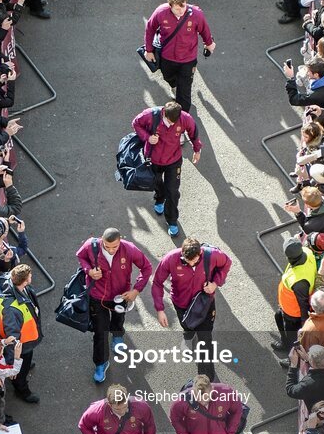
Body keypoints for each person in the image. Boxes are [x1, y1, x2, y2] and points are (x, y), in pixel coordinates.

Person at [75, 228, 152, 383]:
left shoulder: (129, 248)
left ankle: (117, 336)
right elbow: (81, 257)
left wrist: (136, 290)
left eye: (114, 247)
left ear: (120, 241)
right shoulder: (91, 245)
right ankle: (101, 363)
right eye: (107, 246)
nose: (110, 250)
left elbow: (147, 267)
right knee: (100, 331)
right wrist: (88, 271)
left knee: (118, 317)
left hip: (120, 295)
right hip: (97, 296)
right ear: (102, 240)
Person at [151, 237, 231, 379]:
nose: (191, 264)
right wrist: (160, 309)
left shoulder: (212, 255)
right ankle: (187, 335)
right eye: (187, 261)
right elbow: (157, 282)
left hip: (205, 303)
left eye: (194, 261)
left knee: (205, 340)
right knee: (187, 325)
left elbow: (227, 263)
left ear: (200, 253)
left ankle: (206, 380)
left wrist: (215, 283)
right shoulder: (170, 258)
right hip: (181, 304)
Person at [132, 102, 202, 237]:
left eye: (174, 123)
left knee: (173, 191)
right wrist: (148, 137)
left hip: (173, 160)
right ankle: (159, 199)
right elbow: (136, 123)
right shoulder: (150, 115)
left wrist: (197, 150)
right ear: (163, 112)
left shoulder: (185, 118)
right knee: (156, 182)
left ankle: (172, 220)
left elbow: (194, 133)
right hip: (152, 158)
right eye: (169, 122)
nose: (171, 125)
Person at [143, 0, 215, 112]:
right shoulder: (161, 12)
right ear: (170, 5)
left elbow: (204, 30)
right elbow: (150, 29)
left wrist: (208, 44)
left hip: (188, 59)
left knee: (185, 91)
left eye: (184, 6)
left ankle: (183, 118)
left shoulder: (196, 14)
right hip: (167, 56)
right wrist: (149, 50)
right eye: (177, 8)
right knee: (168, 77)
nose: (181, 10)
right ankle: (174, 85)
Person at [0, 264, 42, 404]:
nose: (31, 277)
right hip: (23, 345)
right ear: (25, 281)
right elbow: (12, 338)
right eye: (30, 276)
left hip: (27, 341)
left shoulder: (12, 284)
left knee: (27, 361)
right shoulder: (11, 309)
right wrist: (12, 363)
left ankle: (25, 366)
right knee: (20, 371)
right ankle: (22, 390)